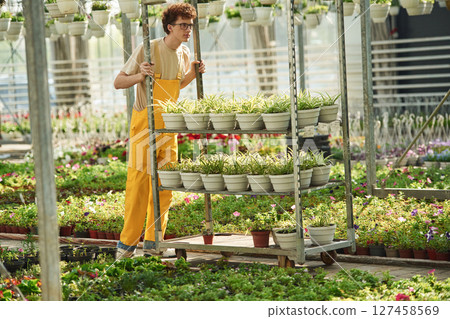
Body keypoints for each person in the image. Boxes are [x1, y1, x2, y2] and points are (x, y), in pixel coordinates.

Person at [114, 2, 205, 258]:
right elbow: (119, 82)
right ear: (169, 27)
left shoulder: (185, 53)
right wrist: (140, 76)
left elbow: (174, 86)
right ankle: (126, 246)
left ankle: (154, 244)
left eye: (190, 25)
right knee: (139, 185)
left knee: (165, 186)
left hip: (169, 126)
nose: (188, 29)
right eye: (183, 25)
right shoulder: (149, 48)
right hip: (145, 124)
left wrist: (193, 73)